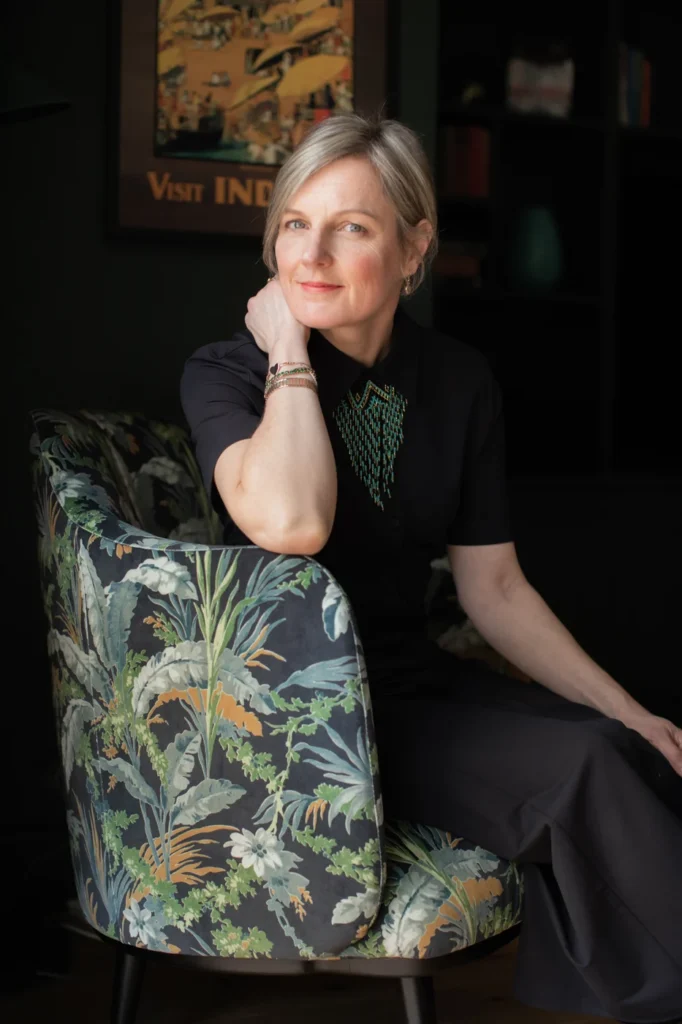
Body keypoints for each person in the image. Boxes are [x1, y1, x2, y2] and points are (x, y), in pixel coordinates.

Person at [180, 113, 682, 1023]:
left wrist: (633, 709)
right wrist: (288, 353)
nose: (314, 251)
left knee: (638, 751)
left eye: (353, 227)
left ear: (415, 248)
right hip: (309, 719)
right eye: (296, 223)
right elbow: (292, 521)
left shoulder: (459, 381)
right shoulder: (228, 373)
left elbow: (494, 588)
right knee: (583, 771)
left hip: (415, 682)